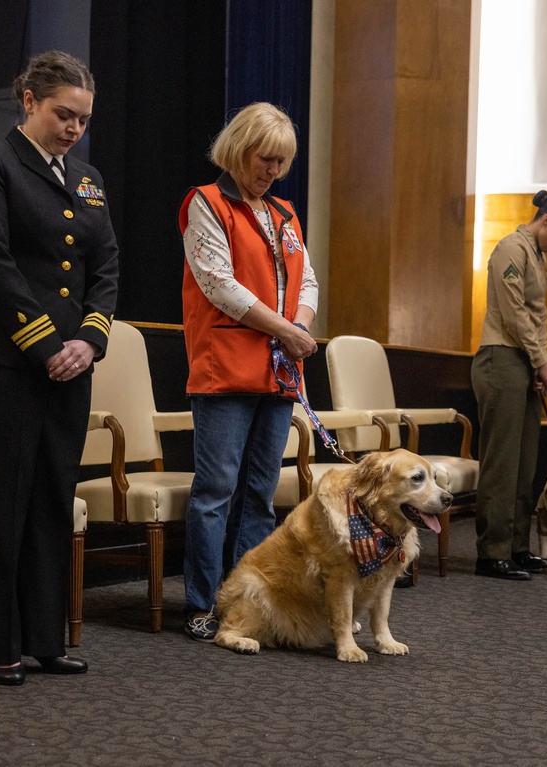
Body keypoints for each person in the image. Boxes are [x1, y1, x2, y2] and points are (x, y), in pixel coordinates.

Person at [0, 50, 118, 684]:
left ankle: (45, 639)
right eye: (63, 115)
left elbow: (106, 268)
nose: (74, 129)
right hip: (0, 362)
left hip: (72, 366)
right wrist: (49, 343)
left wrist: (91, 341)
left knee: (52, 499)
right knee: (3, 504)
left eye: (83, 120)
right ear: (28, 102)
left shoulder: (88, 178)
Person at [178, 102, 320, 641]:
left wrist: (299, 326)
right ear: (239, 150)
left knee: (259, 494)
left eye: (282, 162)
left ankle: (245, 603)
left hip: (277, 374)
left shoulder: (284, 214)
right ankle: (200, 602)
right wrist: (285, 331)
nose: (273, 172)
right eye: (266, 159)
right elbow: (219, 285)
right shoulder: (205, 203)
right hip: (226, 370)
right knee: (215, 491)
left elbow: (306, 281)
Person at [471, 189, 547, 580]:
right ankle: (492, 553)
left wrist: (540, 363)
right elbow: (514, 313)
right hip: (500, 359)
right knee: (501, 464)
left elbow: (539, 315)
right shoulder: (510, 249)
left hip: (523, 362)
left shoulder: (537, 255)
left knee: (524, 464)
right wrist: (541, 361)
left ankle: (517, 547)